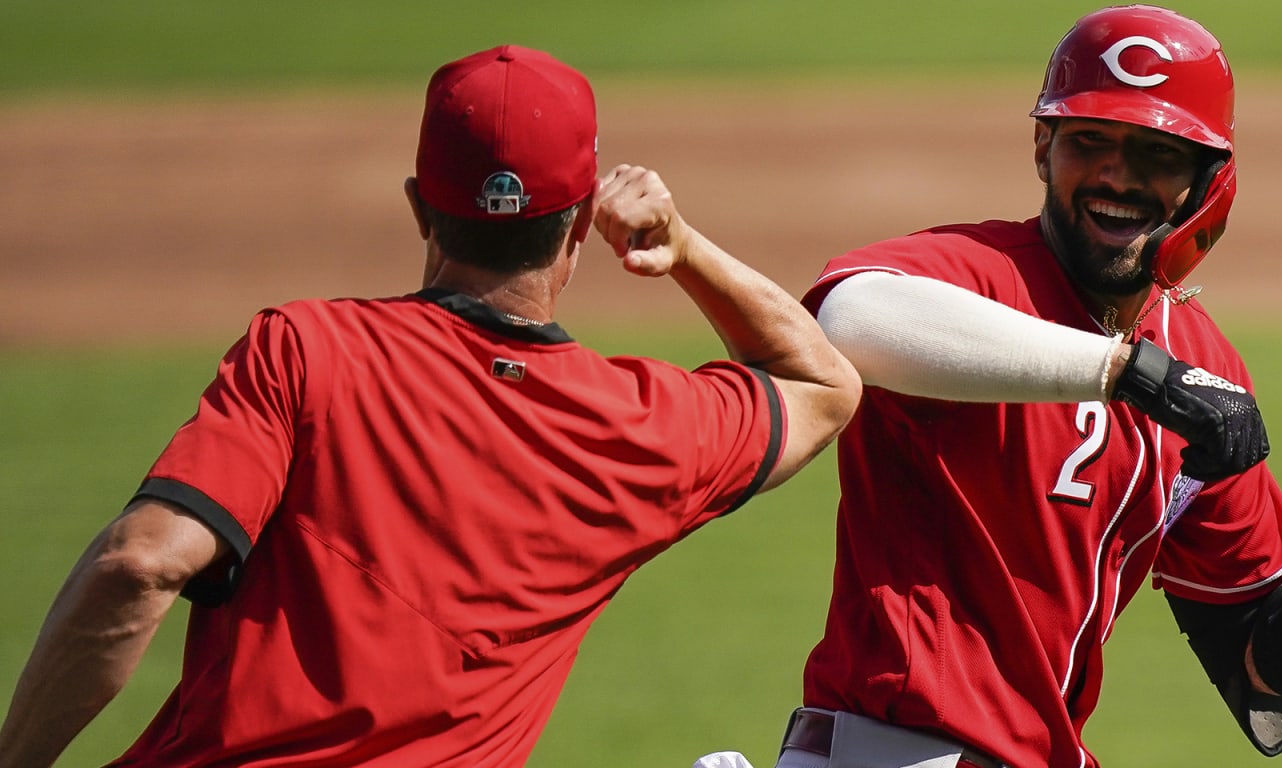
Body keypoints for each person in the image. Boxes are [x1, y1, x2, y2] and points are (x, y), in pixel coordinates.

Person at [0, 44, 860, 768]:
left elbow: (141, 564)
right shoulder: (640, 428)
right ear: (574, 229)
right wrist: (680, 248)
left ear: (420, 207)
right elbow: (823, 384)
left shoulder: (305, 353)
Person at [770, 6, 1282, 768]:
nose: (1117, 175)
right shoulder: (982, 280)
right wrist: (1124, 371)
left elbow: (1253, 634)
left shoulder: (1197, 362)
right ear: (1043, 147)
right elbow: (849, 316)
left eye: (1156, 152)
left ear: (1210, 180)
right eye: (1090, 142)